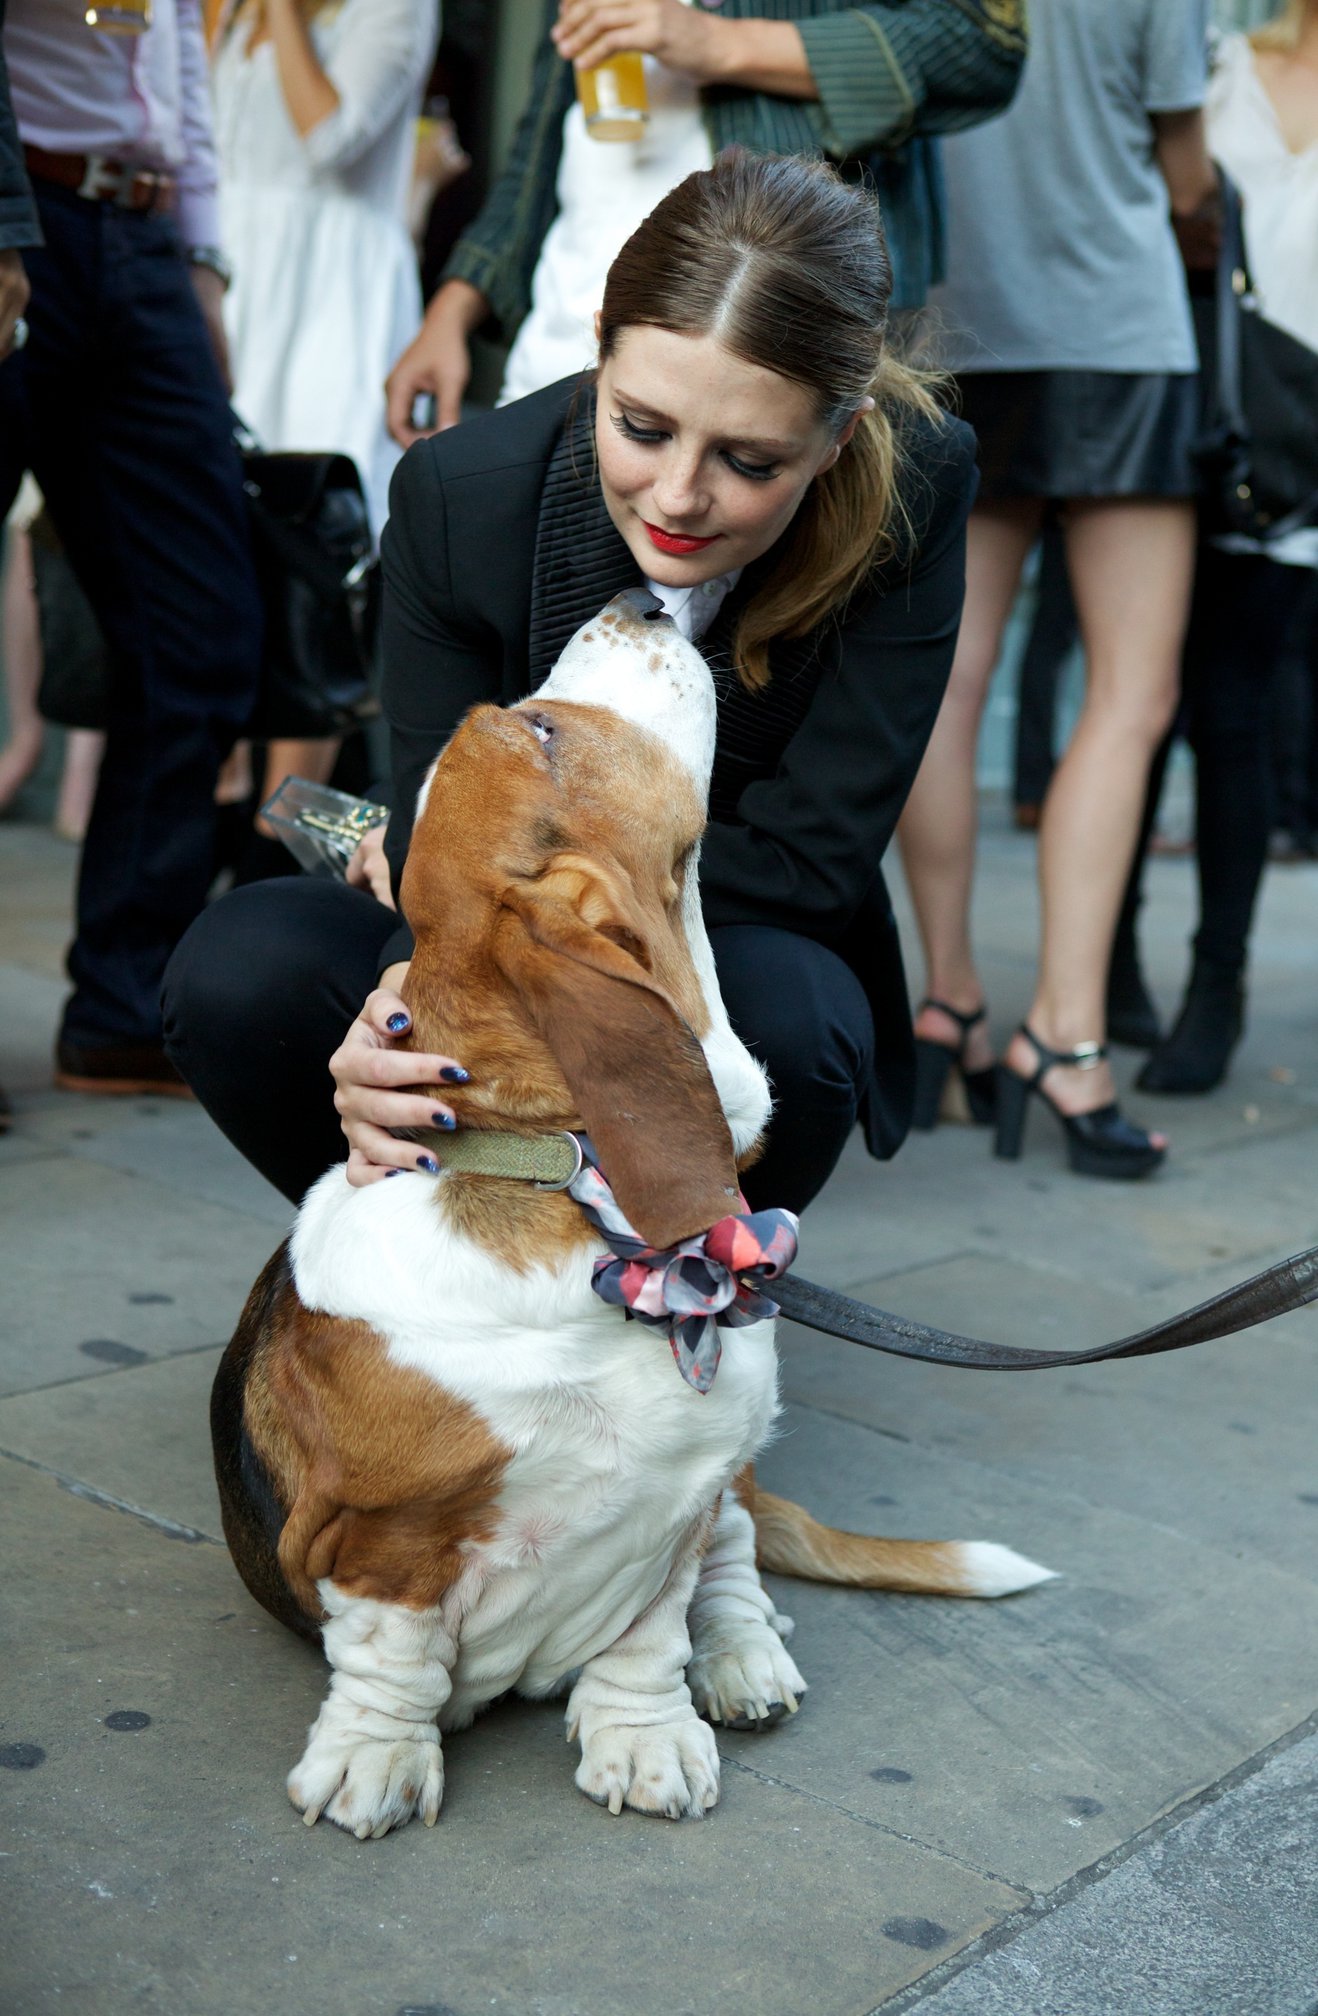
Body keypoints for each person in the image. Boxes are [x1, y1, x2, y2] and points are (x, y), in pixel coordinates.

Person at [164, 150, 976, 1217]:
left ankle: (679, 1282)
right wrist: (395, 1023)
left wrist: (555, 911)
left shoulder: (916, 482)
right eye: (639, 427)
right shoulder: (463, 498)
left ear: (838, 439)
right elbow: (433, 827)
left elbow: (808, 862)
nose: (678, 497)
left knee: (803, 1022)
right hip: (487, 925)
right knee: (242, 969)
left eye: (750, 462)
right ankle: (417, 1266)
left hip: (734, 941)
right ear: (597, 350)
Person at [895, 0, 1216, 1180]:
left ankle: (948, 1002)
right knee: (1129, 694)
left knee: (950, 677)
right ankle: (1065, 1039)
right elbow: (1183, 171)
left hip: (954, 329)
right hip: (1113, 329)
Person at [0, 0, 263, 1096]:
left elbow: (178, 66)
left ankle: (121, 1002)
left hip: (140, 232)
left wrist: (199, 258)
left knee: (201, 621)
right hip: (24, 198)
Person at [384, 0, 1027, 441]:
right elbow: (545, 135)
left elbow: (982, 45)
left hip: (769, 363)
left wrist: (717, 42)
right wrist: (454, 307)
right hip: (561, 347)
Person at [1120, 0, 1318, 1094]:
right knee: (1133, 705)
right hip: (1182, 420)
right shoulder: (1215, 66)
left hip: (1301, 453)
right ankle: (1105, 965)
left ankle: (1217, 986)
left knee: (1232, 714)